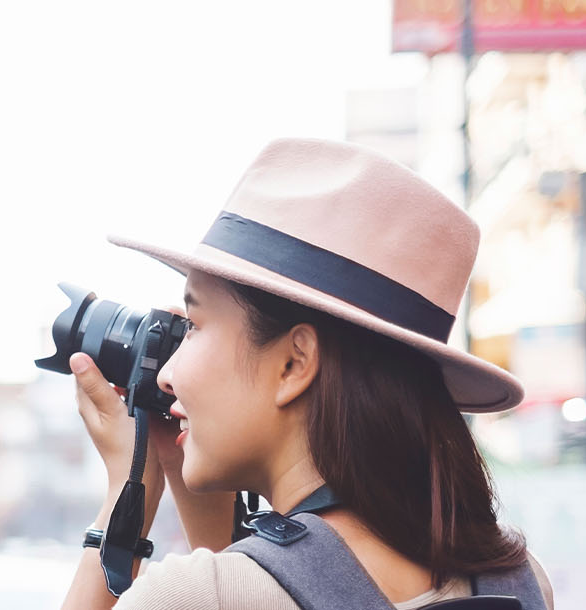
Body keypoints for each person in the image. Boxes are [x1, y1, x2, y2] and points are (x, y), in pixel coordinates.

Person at [59, 139, 553, 609]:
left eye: (193, 325)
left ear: (295, 363)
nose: (166, 375)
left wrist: (126, 495)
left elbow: (252, 585)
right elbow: (278, 575)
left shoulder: (196, 597)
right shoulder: (518, 579)